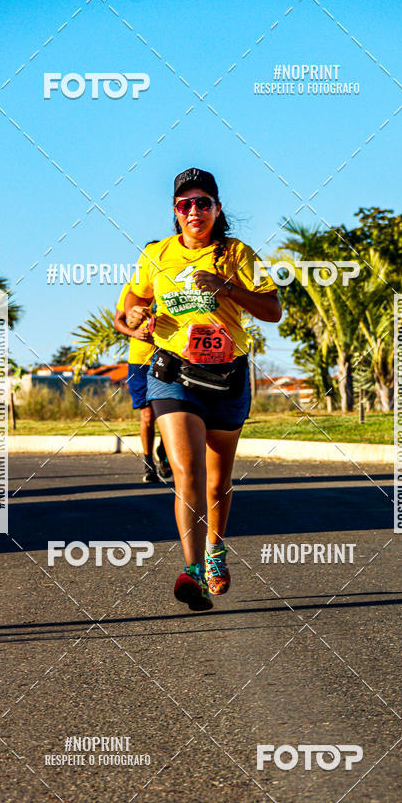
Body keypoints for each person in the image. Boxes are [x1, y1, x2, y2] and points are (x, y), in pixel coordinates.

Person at [126, 168, 281, 610]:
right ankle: (192, 569)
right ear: (175, 213)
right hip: (172, 373)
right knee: (186, 472)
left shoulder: (236, 255)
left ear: (217, 209)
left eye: (203, 203)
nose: (194, 211)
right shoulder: (156, 255)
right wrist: (135, 320)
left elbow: (273, 309)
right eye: (184, 204)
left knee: (217, 483)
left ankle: (215, 551)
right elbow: (130, 306)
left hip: (227, 376)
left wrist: (227, 288)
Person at [114, 267, 172, 483]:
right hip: (139, 361)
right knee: (147, 416)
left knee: (170, 411)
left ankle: (164, 454)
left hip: (168, 357)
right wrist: (133, 332)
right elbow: (118, 320)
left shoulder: (171, 286)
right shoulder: (132, 289)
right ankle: (148, 464)